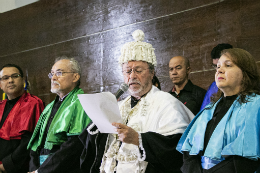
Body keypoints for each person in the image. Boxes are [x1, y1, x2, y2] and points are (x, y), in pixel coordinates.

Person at [79, 29, 194, 173]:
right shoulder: (119, 106)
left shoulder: (167, 103)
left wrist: (139, 139)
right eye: (127, 71)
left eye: (138, 70)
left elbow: (175, 148)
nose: (132, 76)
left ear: (152, 73)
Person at [177, 48, 260, 173]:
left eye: (228, 65)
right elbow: (190, 152)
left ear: (245, 72)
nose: (219, 70)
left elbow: (246, 159)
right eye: (217, 66)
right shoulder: (208, 109)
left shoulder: (255, 105)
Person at [27, 57, 91, 173]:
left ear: (75, 77)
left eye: (59, 73)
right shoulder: (49, 107)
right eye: (52, 74)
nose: (54, 78)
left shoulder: (82, 103)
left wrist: (41, 171)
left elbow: (74, 146)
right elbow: (37, 144)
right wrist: (34, 168)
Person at [0, 64, 44, 173]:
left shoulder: (33, 103)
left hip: (19, 166)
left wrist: (6, 165)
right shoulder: (1, 105)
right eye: (5, 78)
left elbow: (29, 141)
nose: (10, 80)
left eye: (15, 76)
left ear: (23, 80)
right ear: (0, 84)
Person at [200, 43, 233, 110]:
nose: (218, 70)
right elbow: (204, 113)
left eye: (225, 65)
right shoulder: (213, 86)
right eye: (216, 66)